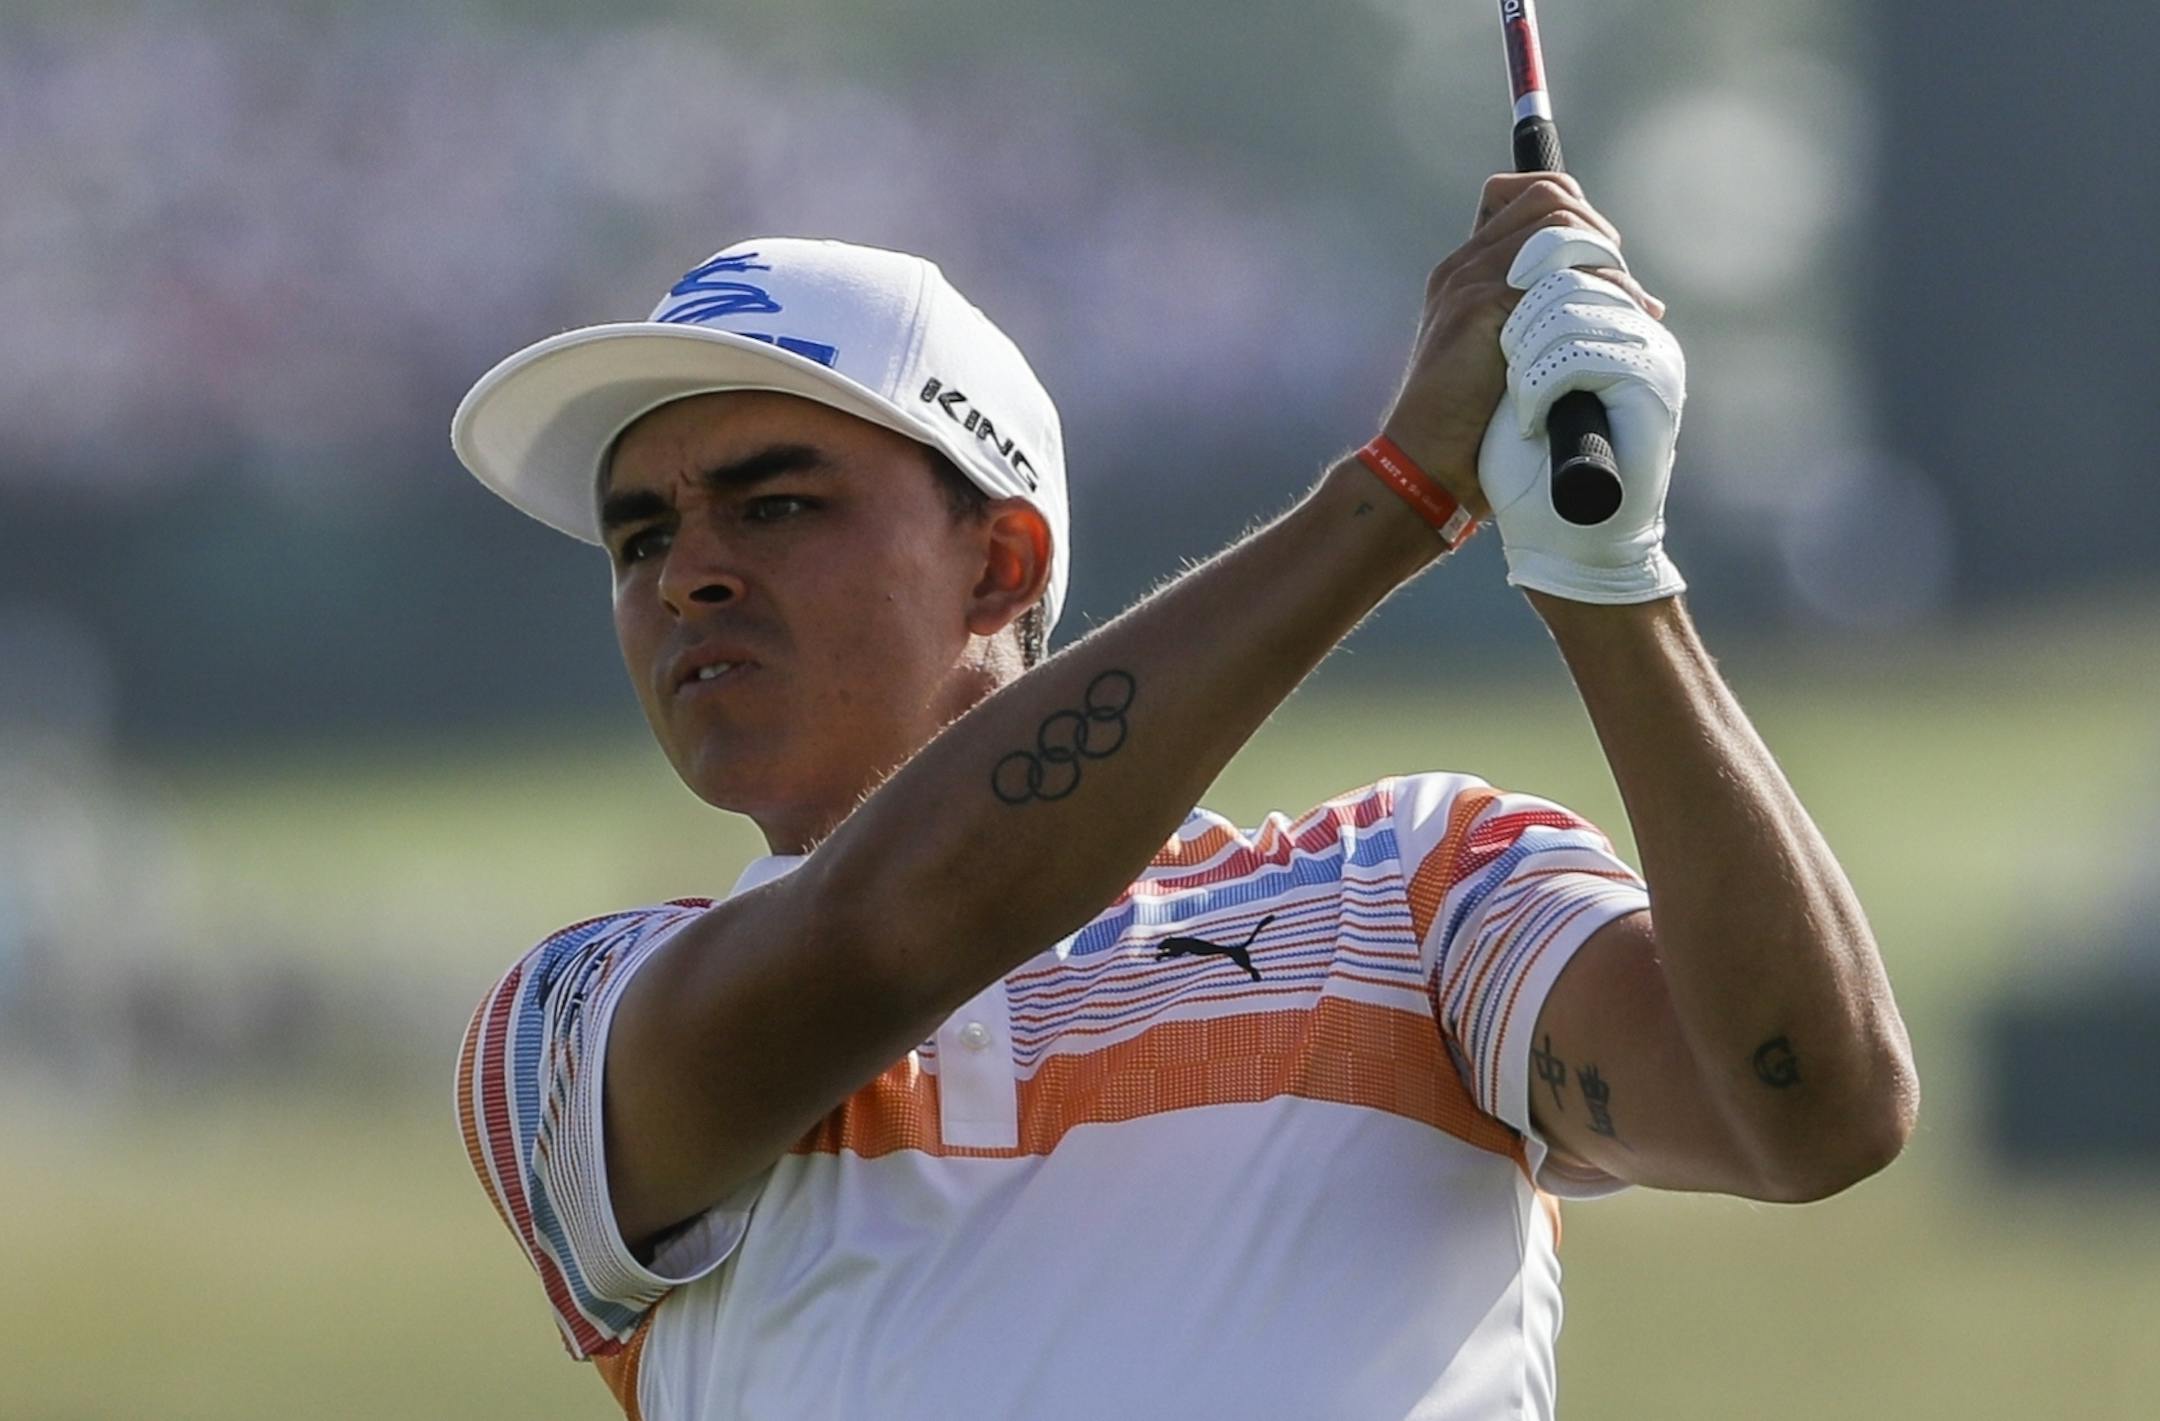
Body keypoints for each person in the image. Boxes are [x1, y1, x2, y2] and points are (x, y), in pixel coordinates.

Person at [449, 174, 1917, 1421]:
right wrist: (1399, 494)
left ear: (1002, 565)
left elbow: (1810, 1113)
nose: (686, 572)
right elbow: (893, 927)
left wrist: (1606, 574)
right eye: (639, 537)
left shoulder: (1417, 888)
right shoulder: (570, 1023)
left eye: (776, 503)